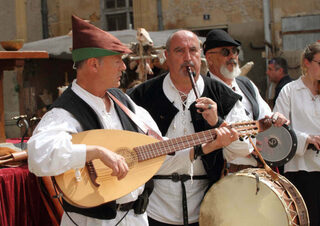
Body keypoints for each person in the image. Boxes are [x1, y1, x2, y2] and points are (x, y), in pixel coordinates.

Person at [27, 17, 237, 226]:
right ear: (93, 64)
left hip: (135, 218)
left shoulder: (125, 103)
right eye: (117, 60)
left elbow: (160, 153)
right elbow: (38, 155)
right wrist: (96, 152)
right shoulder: (66, 111)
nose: (124, 67)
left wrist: (210, 145)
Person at [128, 30, 243, 226]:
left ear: (201, 56)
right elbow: (132, 151)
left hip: (206, 207)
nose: (188, 58)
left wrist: (217, 121)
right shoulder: (141, 96)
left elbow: (245, 149)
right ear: (166, 56)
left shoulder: (221, 93)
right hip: (154, 207)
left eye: (193, 51)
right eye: (179, 51)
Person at [203, 29, 288, 174]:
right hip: (228, 176)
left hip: (261, 170)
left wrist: (275, 120)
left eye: (235, 51)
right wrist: (252, 147)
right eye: (225, 52)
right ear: (209, 58)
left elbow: (266, 116)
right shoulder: (204, 90)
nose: (232, 56)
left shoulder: (245, 83)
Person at [274, 42, 320, 226]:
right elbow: (278, 132)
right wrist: (306, 139)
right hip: (301, 170)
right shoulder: (290, 91)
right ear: (307, 63)